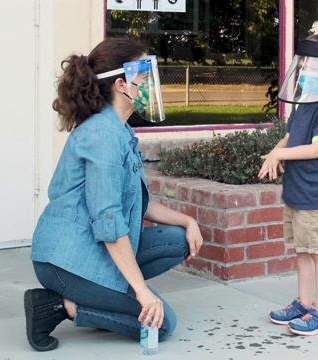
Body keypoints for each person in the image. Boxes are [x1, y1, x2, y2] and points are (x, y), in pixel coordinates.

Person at [24, 37, 203, 352]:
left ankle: (107, 295)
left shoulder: (119, 130)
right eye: (144, 76)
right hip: (67, 259)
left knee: (177, 240)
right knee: (162, 326)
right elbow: (109, 222)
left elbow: (137, 203)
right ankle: (59, 306)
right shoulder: (103, 137)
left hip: (91, 246)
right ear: (122, 84)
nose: (149, 83)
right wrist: (141, 292)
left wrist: (187, 220)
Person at [258, 34, 318, 336]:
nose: (306, 73)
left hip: (315, 194)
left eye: (314, 68)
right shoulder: (303, 101)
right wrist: (276, 152)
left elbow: (316, 148)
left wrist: (282, 153)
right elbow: (291, 137)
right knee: (302, 250)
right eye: (304, 66)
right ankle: (305, 304)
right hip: (297, 191)